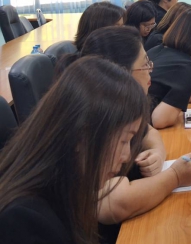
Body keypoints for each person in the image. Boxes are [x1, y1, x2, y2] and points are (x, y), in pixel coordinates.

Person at [55, 27, 191, 244]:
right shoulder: (95, 118)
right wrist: (175, 176)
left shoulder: (117, 106)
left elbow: (149, 131)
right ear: (119, 73)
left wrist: (157, 151)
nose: (151, 69)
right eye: (145, 64)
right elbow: (113, 203)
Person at [0, 56, 150, 243]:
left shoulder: (71, 183)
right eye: (124, 140)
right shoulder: (24, 222)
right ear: (81, 135)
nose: (127, 156)